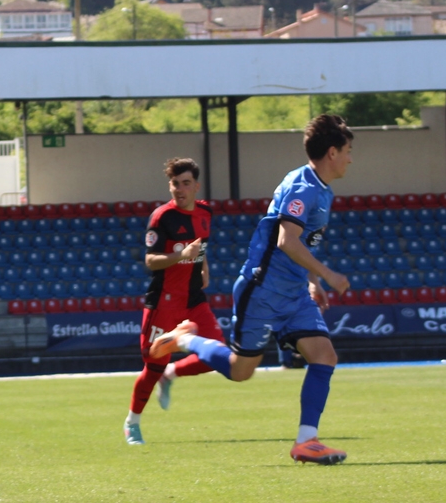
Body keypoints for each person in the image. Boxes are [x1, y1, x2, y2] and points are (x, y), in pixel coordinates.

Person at [148, 114, 354, 465]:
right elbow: (287, 240)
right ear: (332, 152)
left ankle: (307, 441)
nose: (351, 158)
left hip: (292, 292)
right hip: (262, 289)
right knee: (241, 371)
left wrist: (312, 281)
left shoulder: (317, 186)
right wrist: (328, 274)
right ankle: (184, 339)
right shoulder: (304, 188)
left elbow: (303, 241)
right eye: (349, 150)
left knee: (324, 355)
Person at [123, 157, 221, 445]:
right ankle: (132, 422)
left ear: (196, 186)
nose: (179, 189)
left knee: (218, 355)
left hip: (193, 299)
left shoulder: (206, 212)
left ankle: (173, 372)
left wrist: (203, 266)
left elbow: (200, 245)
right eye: (175, 184)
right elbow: (151, 261)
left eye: (185, 184)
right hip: (164, 301)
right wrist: (182, 256)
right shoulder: (161, 218)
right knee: (151, 365)